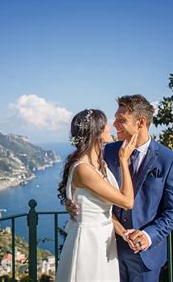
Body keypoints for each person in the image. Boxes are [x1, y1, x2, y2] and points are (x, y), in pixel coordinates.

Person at [66, 94, 173, 281]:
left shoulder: (168, 159)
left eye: (121, 120)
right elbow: (81, 179)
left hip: (145, 256)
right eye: (115, 119)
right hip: (107, 248)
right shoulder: (108, 151)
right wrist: (71, 201)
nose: (114, 124)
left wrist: (148, 235)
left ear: (141, 122)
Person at [55, 109, 138, 282]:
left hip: (104, 238)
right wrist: (123, 161)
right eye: (105, 125)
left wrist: (123, 233)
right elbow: (127, 202)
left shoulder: (99, 163)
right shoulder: (84, 169)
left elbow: (101, 210)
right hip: (89, 242)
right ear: (96, 132)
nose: (110, 128)